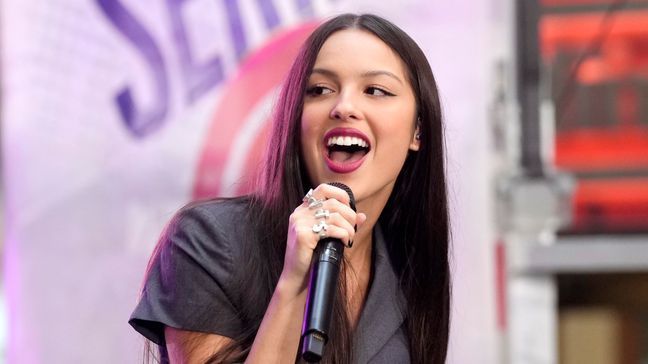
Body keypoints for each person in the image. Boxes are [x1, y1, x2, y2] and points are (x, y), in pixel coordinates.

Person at [129, 13, 450, 364]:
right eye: (320, 90)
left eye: (376, 90)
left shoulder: (406, 272)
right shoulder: (208, 240)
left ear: (418, 131)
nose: (344, 107)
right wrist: (294, 283)